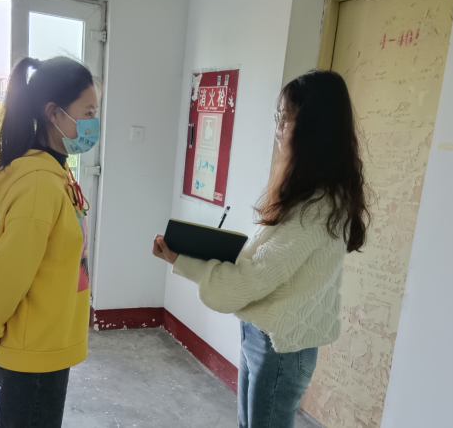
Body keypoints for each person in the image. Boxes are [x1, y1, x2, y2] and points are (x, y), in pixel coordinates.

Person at [153, 70, 370, 428]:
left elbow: (250, 281)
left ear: (315, 129)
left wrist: (182, 259)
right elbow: (268, 263)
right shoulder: (308, 191)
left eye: (286, 119)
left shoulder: (317, 205)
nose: (278, 129)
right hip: (264, 334)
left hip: (281, 346)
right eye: (277, 117)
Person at [0, 56, 100, 428]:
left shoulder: (57, 173)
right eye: (88, 113)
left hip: (47, 343)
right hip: (34, 354)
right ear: (54, 113)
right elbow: (8, 274)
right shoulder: (40, 185)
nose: (93, 123)